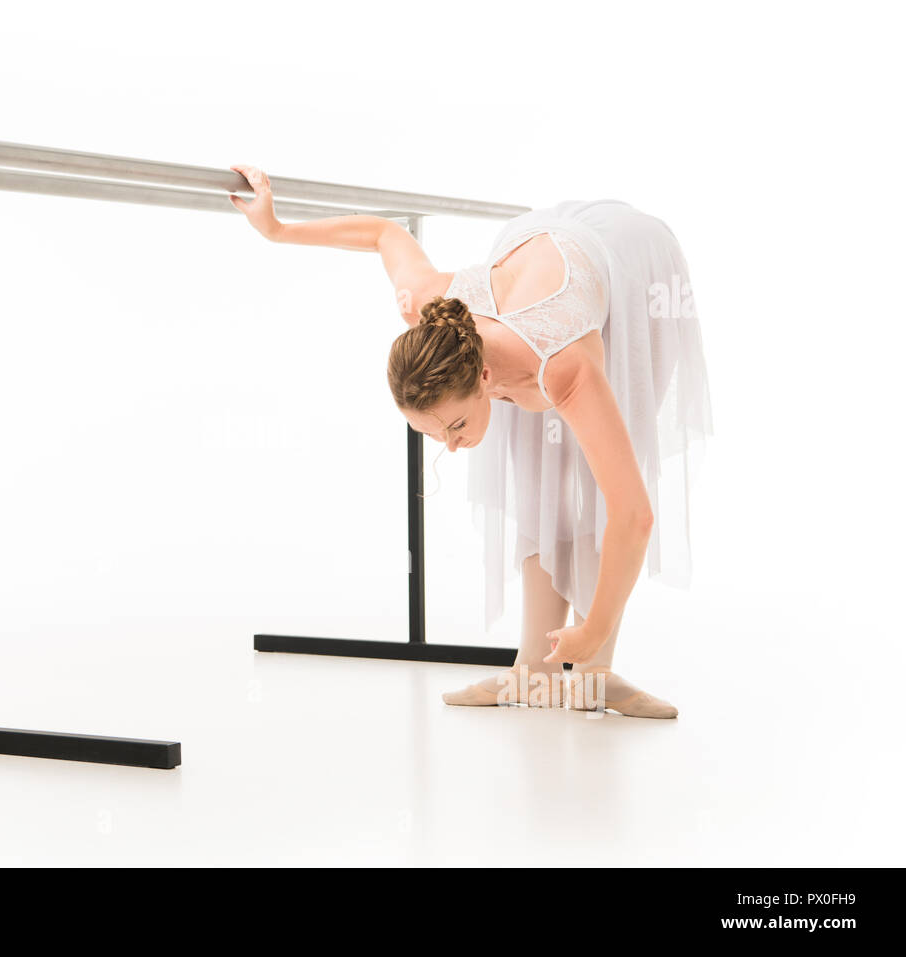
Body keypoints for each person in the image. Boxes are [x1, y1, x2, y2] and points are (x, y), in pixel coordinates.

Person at [229, 164, 712, 718]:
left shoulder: (565, 363)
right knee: (539, 469)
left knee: (602, 468)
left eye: (456, 427)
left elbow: (633, 514)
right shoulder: (429, 308)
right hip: (529, 254)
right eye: (433, 433)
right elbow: (385, 233)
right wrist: (277, 229)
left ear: (484, 377)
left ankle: (593, 675)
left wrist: (594, 627)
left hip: (627, 260)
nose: (453, 447)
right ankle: (535, 672)